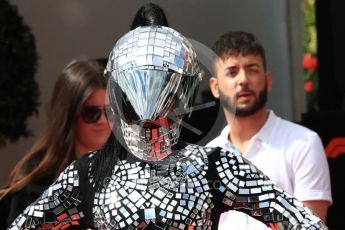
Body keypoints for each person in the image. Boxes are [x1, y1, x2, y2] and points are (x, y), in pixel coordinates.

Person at [8, 26, 327, 230]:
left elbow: (304, 223)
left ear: (183, 95)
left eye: (166, 92)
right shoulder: (86, 175)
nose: (153, 113)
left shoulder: (214, 166)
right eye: (137, 91)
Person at [207, 31, 332, 229]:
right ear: (215, 87)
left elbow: (312, 226)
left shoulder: (303, 143)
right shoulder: (207, 158)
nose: (243, 80)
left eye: (252, 69)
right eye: (232, 72)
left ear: (268, 80)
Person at [0, 58, 112, 228]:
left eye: (110, 111)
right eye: (91, 113)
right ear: (68, 117)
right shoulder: (35, 187)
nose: (103, 121)